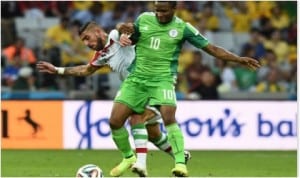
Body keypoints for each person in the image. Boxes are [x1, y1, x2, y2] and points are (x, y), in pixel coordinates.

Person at [115, 1, 261, 177]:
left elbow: (211, 49)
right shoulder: (144, 19)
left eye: (164, 11)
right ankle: (129, 158)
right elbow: (133, 37)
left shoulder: (183, 28)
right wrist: (124, 35)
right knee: (115, 121)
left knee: (168, 117)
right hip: (136, 78)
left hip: (163, 79)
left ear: (174, 9)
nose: (159, 14)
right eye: (157, 11)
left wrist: (238, 59)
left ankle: (180, 164)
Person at [36, 21, 191, 177]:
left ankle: (139, 163)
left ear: (97, 31)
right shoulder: (102, 54)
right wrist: (57, 70)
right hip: (133, 89)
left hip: (153, 84)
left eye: (87, 38)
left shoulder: (116, 36)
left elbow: (125, 27)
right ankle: (171, 155)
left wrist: (123, 29)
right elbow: (86, 70)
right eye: (84, 41)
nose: (87, 43)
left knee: (137, 117)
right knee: (144, 131)